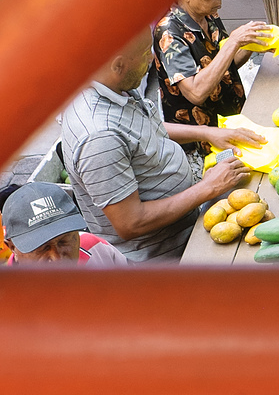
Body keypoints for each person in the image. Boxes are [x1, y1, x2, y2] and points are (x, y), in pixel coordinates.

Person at [62, 31, 261, 262]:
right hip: (164, 254)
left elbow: (144, 131)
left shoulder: (114, 86)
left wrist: (208, 132)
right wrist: (207, 188)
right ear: (118, 65)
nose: (153, 59)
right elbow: (131, 223)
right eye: (147, 53)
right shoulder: (99, 137)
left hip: (187, 222)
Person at [153, 0, 270, 168]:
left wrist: (250, 45)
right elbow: (196, 92)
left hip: (231, 123)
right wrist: (233, 42)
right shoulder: (169, 32)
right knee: (224, 187)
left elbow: (225, 67)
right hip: (203, 141)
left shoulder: (209, 16)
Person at [1, 182, 130, 266]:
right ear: (12, 247)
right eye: (42, 248)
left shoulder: (97, 249)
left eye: (64, 241)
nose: (57, 258)